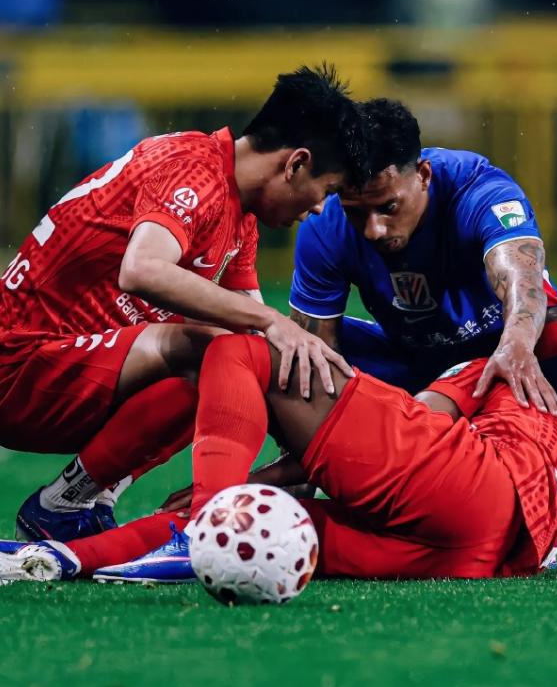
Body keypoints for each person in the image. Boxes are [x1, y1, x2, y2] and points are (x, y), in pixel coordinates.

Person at [0, 65, 365, 542]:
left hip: (69, 371)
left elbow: (258, 351)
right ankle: (69, 503)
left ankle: (76, 503)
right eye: (327, 191)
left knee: (238, 357)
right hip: (19, 366)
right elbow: (142, 269)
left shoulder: (239, 212)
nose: (318, 208)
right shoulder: (193, 168)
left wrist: (294, 456)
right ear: (295, 164)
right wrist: (271, 319)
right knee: (210, 349)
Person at [0, 326, 557, 584]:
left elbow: (424, 420)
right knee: (253, 530)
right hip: (480, 558)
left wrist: (251, 479)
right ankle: (60, 557)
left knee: (240, 352)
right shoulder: (551, 418)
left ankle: (179, 514)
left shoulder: (493, 364)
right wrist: (257, 486)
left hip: (478, 489)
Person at [289, 99, 557, 463]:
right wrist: (305, 455)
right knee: (294, 351)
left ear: (423, 175)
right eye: (356, 212)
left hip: (503, 349)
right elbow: (314, 357)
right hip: (415, 357)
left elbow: (522, 277)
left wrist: (516, 344)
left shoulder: (479, 189)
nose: (374, 230)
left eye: (388, 207)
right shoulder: (325, 223)